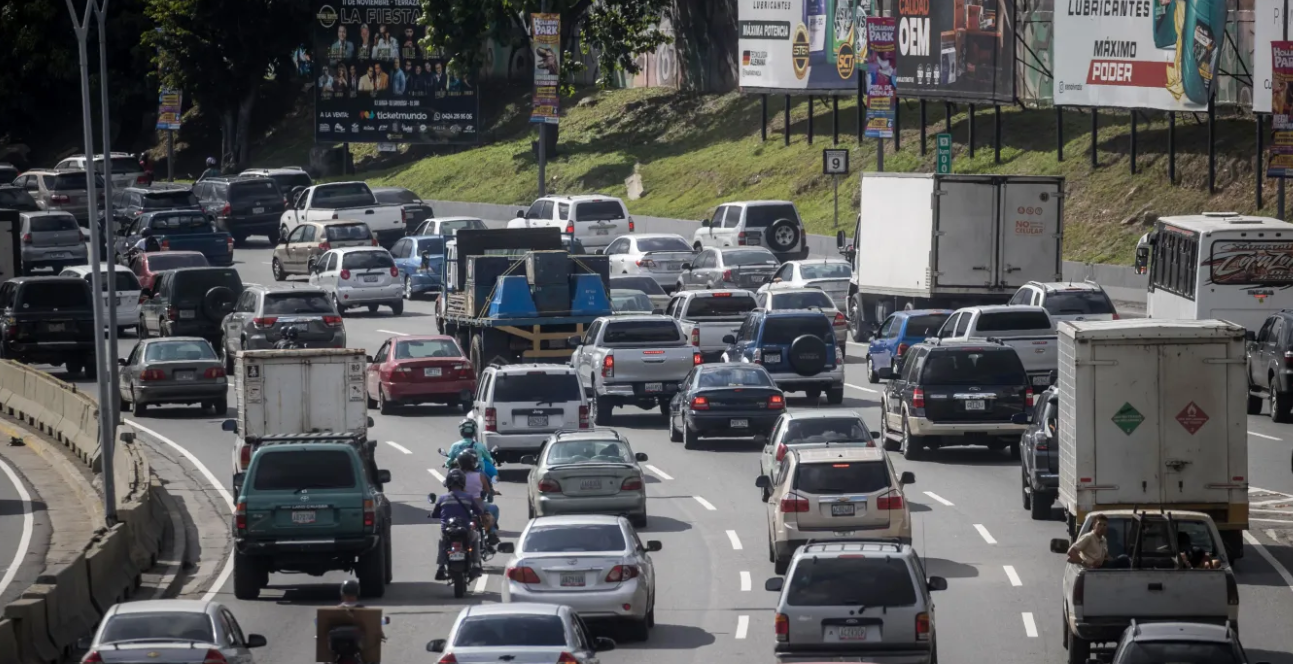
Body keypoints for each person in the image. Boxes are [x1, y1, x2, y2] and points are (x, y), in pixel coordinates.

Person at [430, 469, 486, 580]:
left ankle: (441, 566)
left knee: (442, 542)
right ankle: (475, 564)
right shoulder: (469, 497)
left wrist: (432, 515)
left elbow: (435, 513)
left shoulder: (442, 498)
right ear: (463, 483)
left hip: (447, 531)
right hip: (465, 531)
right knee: (475, 538)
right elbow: (479, 511)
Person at [457, 449, 499, 543]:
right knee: (494, 508)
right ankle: (491, 533)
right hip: (477, 505)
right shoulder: (481, 475)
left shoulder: (455, 474)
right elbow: (489, 490)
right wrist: (491, 493)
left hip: (458, 505)